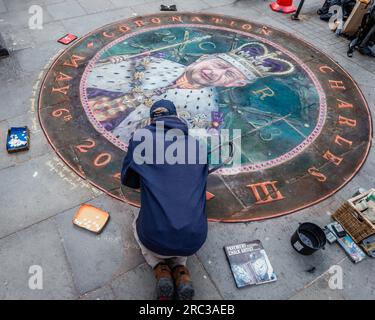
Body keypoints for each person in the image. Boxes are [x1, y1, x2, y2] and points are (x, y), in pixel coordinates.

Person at [86, 42, 294, 144]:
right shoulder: (159, 63)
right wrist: (114, 62)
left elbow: (196, 140)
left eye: (228, 75)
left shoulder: (207, 108)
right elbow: (100, 73)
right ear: (203, 57)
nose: (214, 73)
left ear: (236, 84)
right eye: (218, 64)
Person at [121, 99, 209, 300]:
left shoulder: (140, 139)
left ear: (152, 121)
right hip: (195, 239)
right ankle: (181, 270)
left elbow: (129, 181)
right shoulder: (198, 146)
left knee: (138, 220)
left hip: (154, 237)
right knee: (183, 217)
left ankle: (159, 266)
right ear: (177, 118)